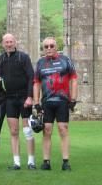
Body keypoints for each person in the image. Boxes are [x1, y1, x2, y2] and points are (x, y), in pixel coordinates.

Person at [33, 37, 78, 171]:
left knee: (63, 129)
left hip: (62, 101)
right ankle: (46, 162)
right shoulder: (40, 62)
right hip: (47, 102)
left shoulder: (65, 60)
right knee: (46, 130)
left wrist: (73, 99)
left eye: (51, 46)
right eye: (46, 46)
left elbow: (74, 79)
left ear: (56, 46)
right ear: (43, 49)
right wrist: (36, 102)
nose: (49, 49)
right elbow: (36, 83)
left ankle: (65, 162)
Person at [0, 33, 36, 170]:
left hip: (24, 98)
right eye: (6, 42)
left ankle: (31, 162)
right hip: (10, 99)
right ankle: (17, 162)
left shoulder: (23, 57)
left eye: (11, 42)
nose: (9, 44)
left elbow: (32, 77)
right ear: (3, 44)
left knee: (27, 131)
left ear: (15, 43)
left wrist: (30, 96)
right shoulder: (1, 59)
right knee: (14, 131)